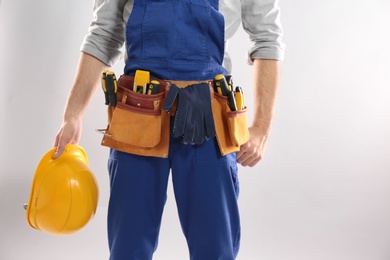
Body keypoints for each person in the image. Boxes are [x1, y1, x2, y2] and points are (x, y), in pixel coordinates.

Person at [53, 0, 285, 259]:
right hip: (137, 116)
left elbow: (267, 37)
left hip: (210, 122)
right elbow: (103, 34)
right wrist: (72, 114)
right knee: (128, 249)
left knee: (215, 249)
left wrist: (262, 127)